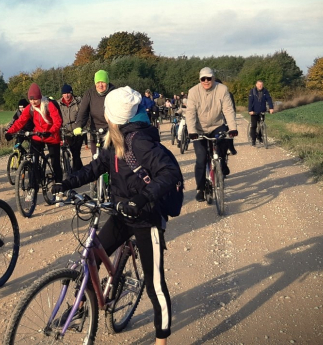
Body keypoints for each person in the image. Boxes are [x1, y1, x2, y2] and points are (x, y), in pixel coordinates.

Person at [52, 87, 175, 343]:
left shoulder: (139, 141)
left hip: (145, 218)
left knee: (155, 285)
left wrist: (141, 199)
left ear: (113, 116)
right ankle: (82, 306)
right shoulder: (113, 138)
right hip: (120, 213)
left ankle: (162, 339)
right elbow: (96, 167)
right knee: (91, 259)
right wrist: (67, 183)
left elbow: (169, 173)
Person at [185, 67, 238, 202]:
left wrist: (232, 127)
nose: (206, 81)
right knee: (201, 158)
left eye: (209, 78)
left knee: (223, 144)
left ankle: (222, 164)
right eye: (203, 79)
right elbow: (190, 113)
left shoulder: (222, 89)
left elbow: (228, 109)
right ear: (200, 80)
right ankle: (201, 189)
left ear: (213, 78)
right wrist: (192, 131)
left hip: (216, 125)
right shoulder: (193, 91)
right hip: (199, 129)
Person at [6, 83, 63, 183]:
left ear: (40, 97)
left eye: (35, 99)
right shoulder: (30, 107)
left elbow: (58, 121)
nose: (33, 101)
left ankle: (59, 186)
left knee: (55, 163)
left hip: (51, 136)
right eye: (31, 99)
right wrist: (10, 132)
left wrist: (50, 131)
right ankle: (32, 186)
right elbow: (20, 121)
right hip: (38, 135)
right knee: (33, 161)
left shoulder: (49, 105)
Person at [74, 70, 116, 153]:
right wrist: (79, 125)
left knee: (111, 158)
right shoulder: (89, 94)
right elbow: (83, 111)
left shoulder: (114, 92)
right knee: (95, 158)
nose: (100, 85)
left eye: (103, 82)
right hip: (95, 131)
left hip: (111, 130)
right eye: (98, 82)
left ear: (107, 82)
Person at [58, 84, 84, 172]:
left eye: (68, 93)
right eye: (64, 93)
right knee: (69, 151)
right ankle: (81, 170)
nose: (66, 95)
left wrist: (81, 126)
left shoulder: (78, 102)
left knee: (76, 152)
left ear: (71, 93)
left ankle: (75, 172)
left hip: (77, 131)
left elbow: (83, 115)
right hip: (65, 132)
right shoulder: (58, 104)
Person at [247, 80, 274, 147]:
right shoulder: (252, 91)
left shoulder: (265, 91)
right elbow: (250, 101)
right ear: (256, 85)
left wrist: (271, 108)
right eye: (259, 84)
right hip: (254, 111)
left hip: (262, 111)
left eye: (261, 84)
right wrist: (250, 110)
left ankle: (259, 137)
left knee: (261, 125)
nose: (260, 86)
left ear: (263, 85)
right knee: (254, 126)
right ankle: (253, 140)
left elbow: (269, 99)